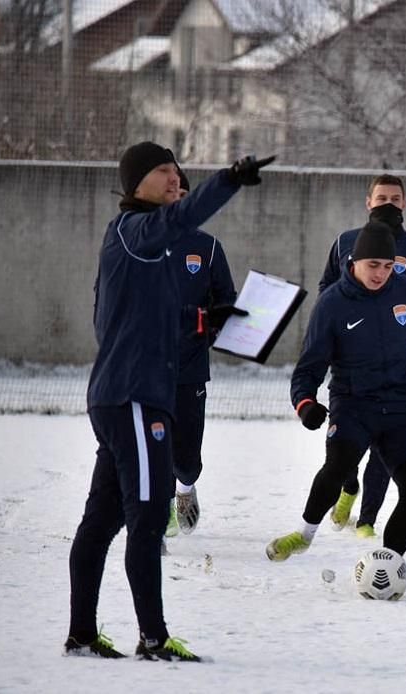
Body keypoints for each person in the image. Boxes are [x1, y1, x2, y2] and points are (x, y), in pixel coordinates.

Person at [67, 142, 272, 661]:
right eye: (163, 170)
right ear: (135, 182)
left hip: (124, 397)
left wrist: (205, 319)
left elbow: (138, 318)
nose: (175, 177)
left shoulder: (141, 247)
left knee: (102, 521)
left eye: (178, 171)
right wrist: (229, 179)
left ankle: (82, 635)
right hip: (135, 399)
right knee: (148, 519)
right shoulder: (137, 231)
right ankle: (153, 639)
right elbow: (181, 218)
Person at [266, 220, 406, 563]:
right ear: (354, 261)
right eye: (373, 265)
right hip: (353, 402)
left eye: (388, 266)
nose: (381, 273)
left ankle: (387, 563)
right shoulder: (332, 304)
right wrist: (305, 404)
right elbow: (308, 367)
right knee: (338, 468)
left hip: (401, 402)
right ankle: (304, 534)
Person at [319, 174, 406, 539]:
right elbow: (327, 289)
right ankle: (348, 487)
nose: (388, 204)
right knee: (345, 445)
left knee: (387, 447)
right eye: (381, 197)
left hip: (396, 367)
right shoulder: (345, 242)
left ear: (404, 203)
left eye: (395, 198)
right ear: (368, 202)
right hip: (350, 366)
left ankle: (367, 520)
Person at [164, 164, 247, 541]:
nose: (177, 202)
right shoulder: (139, 244)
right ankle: (158, 521)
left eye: (183, 196)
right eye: (170, 195)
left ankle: (186, 487)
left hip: (191, 367)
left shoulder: (208, 247)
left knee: (185, 458)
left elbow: (225, 299)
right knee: (153, 451)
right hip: (146, 368)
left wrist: (213, 325)